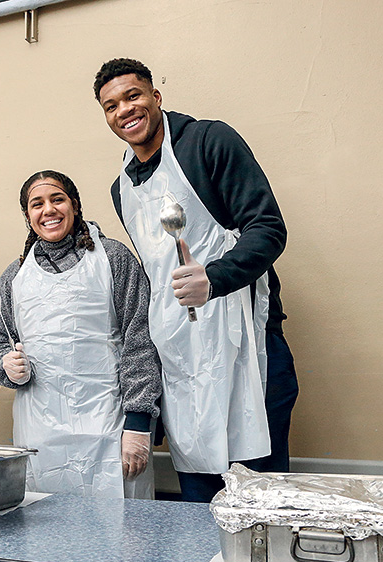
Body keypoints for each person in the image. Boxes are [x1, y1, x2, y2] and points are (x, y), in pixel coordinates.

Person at [94, 58, 299, 503]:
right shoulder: (121, 189)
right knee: (197, 504)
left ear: (156, 97)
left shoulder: (208, 141)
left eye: (133, 96)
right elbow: (155, 272)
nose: (124, 110)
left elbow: (267, 227)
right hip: (180, 360)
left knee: (259, 500)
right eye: (111, 106)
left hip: (246, 347)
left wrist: (215, 278)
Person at [0, 170, 161, 499]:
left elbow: (140, 340)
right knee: (48, 526)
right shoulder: (15, 277)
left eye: (57, 199)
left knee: (120, 526)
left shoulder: (114, 258)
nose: (48, 210)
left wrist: (138, 423)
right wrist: (5, 365)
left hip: (110, 429)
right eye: (37, 204)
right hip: (40, 436)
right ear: (27, 216)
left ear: (75, 205)